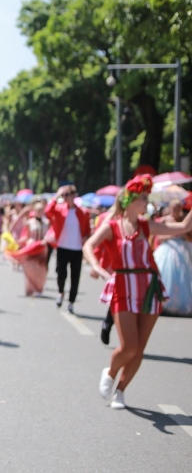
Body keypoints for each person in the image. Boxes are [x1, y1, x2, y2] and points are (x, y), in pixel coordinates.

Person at [83, 174, 192, 410]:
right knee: (129, 346)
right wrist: (95, 265)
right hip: (123, 286)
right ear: (130, 200)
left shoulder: (146, 225)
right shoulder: (111, 227)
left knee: (140, 348)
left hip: (150, 288)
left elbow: (184, 226)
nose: (147, 202)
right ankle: (111, 372)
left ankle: (120, 391)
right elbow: (89, 245)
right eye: (143, 198)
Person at [45, 183, 91, 314]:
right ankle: (60, 292)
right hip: (62, 247)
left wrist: (85, 237)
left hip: (76, 249)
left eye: (67, 195)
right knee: (61, 273)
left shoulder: (83, 212)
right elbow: (48, 211)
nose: (65, 198)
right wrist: (57, 195)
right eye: (64, 195)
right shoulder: (60, 209)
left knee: (75, 277)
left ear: (74, 196)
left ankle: (71, 301)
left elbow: (87, 230)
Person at [5, 200, 49, 297]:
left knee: (41, 268)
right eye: (38, 210)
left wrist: (46, 241)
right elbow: (27, 236)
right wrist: (18, 241)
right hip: (32, 246)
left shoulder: (47, 222)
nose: (40, 212)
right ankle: (31, 288)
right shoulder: (30, 222)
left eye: (41, 210)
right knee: (30, 267)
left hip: (42, 248)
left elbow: (48, 235)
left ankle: (39, 287)